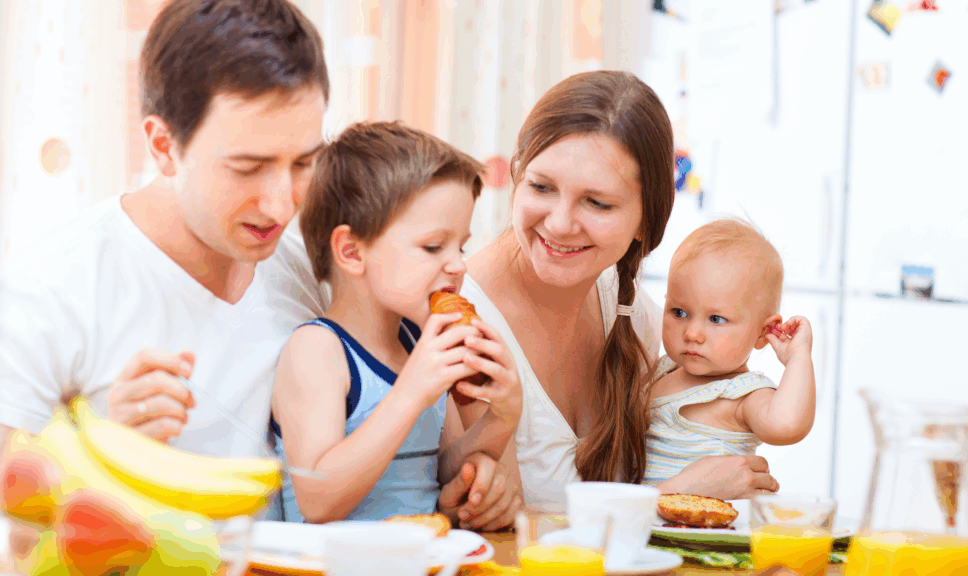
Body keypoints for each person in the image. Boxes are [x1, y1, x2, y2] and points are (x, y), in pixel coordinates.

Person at [0, 0, 516, 527]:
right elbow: (13, 533)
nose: (282, 203)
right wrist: (103, 453)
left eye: (304, 162)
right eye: (248, 167)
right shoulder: (48, 288)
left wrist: (472, 472)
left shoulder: (310, 276)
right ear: (163, 146)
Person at [462, 70, 782, 509]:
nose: (560, 223)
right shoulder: (462, 321)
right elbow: (493, 523)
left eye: (597, 203)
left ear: (646, 221)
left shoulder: (631, 309)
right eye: (541, 186)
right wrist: (674, 495)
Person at [271, 122, 522, 528]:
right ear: (352, 253)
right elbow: (316, 500)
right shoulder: (317, 350)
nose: (458, 265)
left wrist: (501, 418)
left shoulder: (419, 344)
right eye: (433, 246)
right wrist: (412, 391)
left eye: (460, 246)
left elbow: (442, 469)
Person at [643, 219, 815, 485]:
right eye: (679, 312)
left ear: (762, 332)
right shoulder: (661, 371)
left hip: (714, 513)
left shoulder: (742, 394)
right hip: (651, 508)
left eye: (716, 319)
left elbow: (787, 426)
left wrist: (798, 357)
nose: (692, 333)